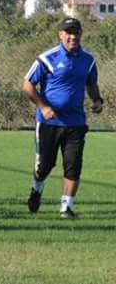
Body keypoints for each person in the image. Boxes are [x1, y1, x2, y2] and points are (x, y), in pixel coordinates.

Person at [23, 17, 103, 219]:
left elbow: (91, 84)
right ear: (60, 35)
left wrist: (97, 100)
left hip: (76, 123)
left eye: (76, 32)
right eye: (68, 32)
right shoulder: (47, 58)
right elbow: (28, 84)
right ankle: (36, 189)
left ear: (81, 34)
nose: (72, 36)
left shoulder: (88, 60)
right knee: (44, 167)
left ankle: (66, 207)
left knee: (73, 165)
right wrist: (43, 107)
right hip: (49, 123)